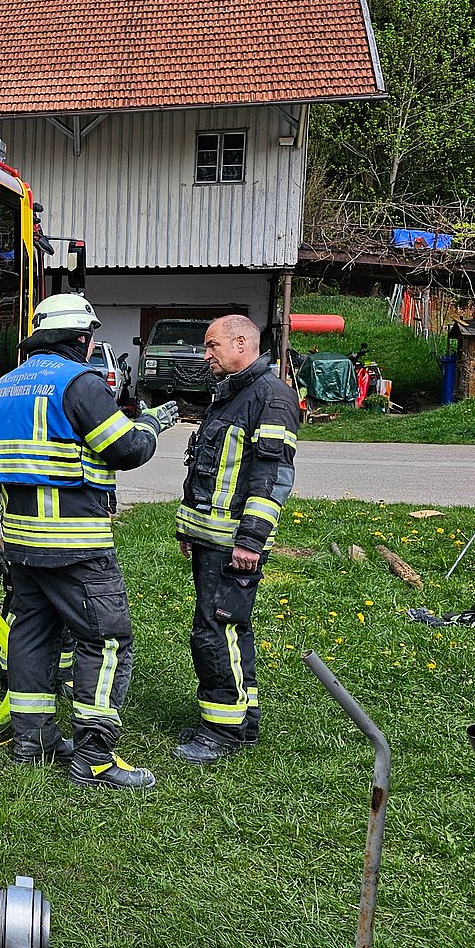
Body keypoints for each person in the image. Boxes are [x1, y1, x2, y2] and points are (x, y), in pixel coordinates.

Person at [0, 293, 177, 789]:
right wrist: (151, 424)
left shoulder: (4, 386)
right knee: (105, 640)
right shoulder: (80, 383)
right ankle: (94, 759)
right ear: (83, 339)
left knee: (31, 634)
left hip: (21, 543)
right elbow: (126, 449)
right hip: (75, 541)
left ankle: (33, 742)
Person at [173, 314, 299, 764]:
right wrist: (188, 529)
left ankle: (221, 732)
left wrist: (251, 540)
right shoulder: (232, 394)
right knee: (228, 629)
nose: (206, 355)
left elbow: (272, 475)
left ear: (242, 343)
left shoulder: (270, 397)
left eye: (213, 346)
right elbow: (209, 470)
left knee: (215, 631)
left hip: (233, 545)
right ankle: (241, 721)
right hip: (212, 539)